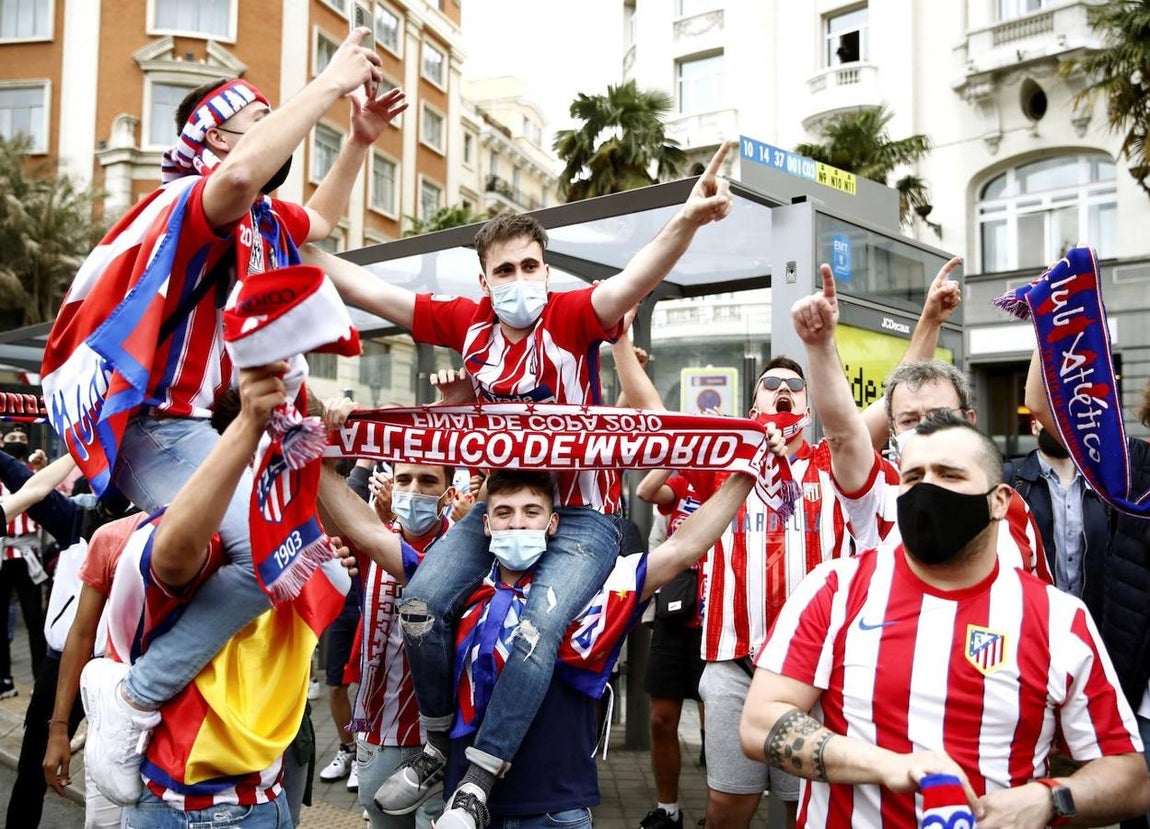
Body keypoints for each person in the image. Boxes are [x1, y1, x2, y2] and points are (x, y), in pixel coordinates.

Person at [307, 142, 735, 827]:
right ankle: (441, 746)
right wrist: (287, 240)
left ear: (547, 270)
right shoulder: (466, 324)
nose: (518, 279)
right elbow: (367, 289)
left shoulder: (571, 317)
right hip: (498, 511)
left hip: (583, 515)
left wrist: (687, 218)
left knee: (539, 624)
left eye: (529, 266)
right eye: (503, 269)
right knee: (419, 603)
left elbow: (634, 280)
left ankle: (479, 777)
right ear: (484, 280)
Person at [39, 32, 406, 805]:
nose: (276, 139)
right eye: (258, 122)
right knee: (271, 551)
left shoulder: (258, 223)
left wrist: (361, 140)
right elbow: (239, 173)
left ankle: (205, 706)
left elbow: (325, 220)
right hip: (160, 430)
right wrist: (329, 83)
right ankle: (136, 696)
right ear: (211, 137)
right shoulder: (195, 202)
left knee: (326, 569)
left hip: (223, 432)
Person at [739, 410, 1150, 828]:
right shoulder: (835, 590)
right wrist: (888, 766)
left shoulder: (1058, 619)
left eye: (949, 475)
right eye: (913, 477)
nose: (927, 490)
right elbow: (759, 724)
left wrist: (1049, 801)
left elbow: (1129, 779)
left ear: (999, 501)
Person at [318, 454, 766, 829]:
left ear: (553, 523)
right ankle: (439, 756)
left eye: (531, 512)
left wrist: (748, 472)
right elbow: (371, 535)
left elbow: (682, 548)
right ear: (485, 525)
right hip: (465, 812)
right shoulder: (456, 589)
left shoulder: (597, 591)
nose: (517, 524)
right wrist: (315, 461)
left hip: (556, 809)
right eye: (504, 513)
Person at [45, 362, 352, 827]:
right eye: (267, 455)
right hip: (184, 802)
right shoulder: (177, 543)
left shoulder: (305, 554)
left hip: (266, 794)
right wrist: (59, 726)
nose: (279, 471)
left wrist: (328, 451)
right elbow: (86, 631)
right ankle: (135, 694)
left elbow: (356, 542)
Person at [790, 264, 1050, 580]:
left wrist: (931, 320)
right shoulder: (881, 492)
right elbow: (844, 435)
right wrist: (820, 347)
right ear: (893, 429)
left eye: (939, 415)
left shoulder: (1011, 505)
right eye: (909, 419)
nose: (925, 428)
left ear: (968, 419)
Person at [635, 469, 706, 829]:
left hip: (721, 619)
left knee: (718, 728)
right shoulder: (681, 484)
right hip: (676, 616)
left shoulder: (737, 480)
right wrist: (679, 453)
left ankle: (721, 806)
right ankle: (669, 809)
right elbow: (646, 491)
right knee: (662, 719)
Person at [1007, 415, 1107, 618]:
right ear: (1034, 427)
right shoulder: (1009, 478)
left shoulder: (1103, 483)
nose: (1057, 424)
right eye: (1047, 416)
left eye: (1060, 417)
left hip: (1091, 621)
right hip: (1032, 618)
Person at [0, 427, 48, 694]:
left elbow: (50, 498)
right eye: (12, 439)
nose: (17, 443)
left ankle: (39, 679)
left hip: (27, 555)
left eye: (22, 439)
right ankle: (4, 679)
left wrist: (41, 468)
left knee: (34, 618)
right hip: (2, 554)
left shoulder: (32, 474)